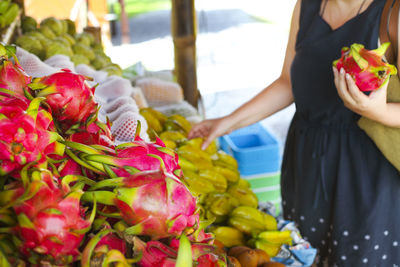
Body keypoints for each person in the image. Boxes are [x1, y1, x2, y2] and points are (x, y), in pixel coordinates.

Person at [188, 0, 400, 266]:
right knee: (304, 256)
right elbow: (288, 82)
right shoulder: (307, 6)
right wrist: (229, 122)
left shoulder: (392, 13)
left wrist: (377, 112)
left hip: (366, 173)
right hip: (306, 164)